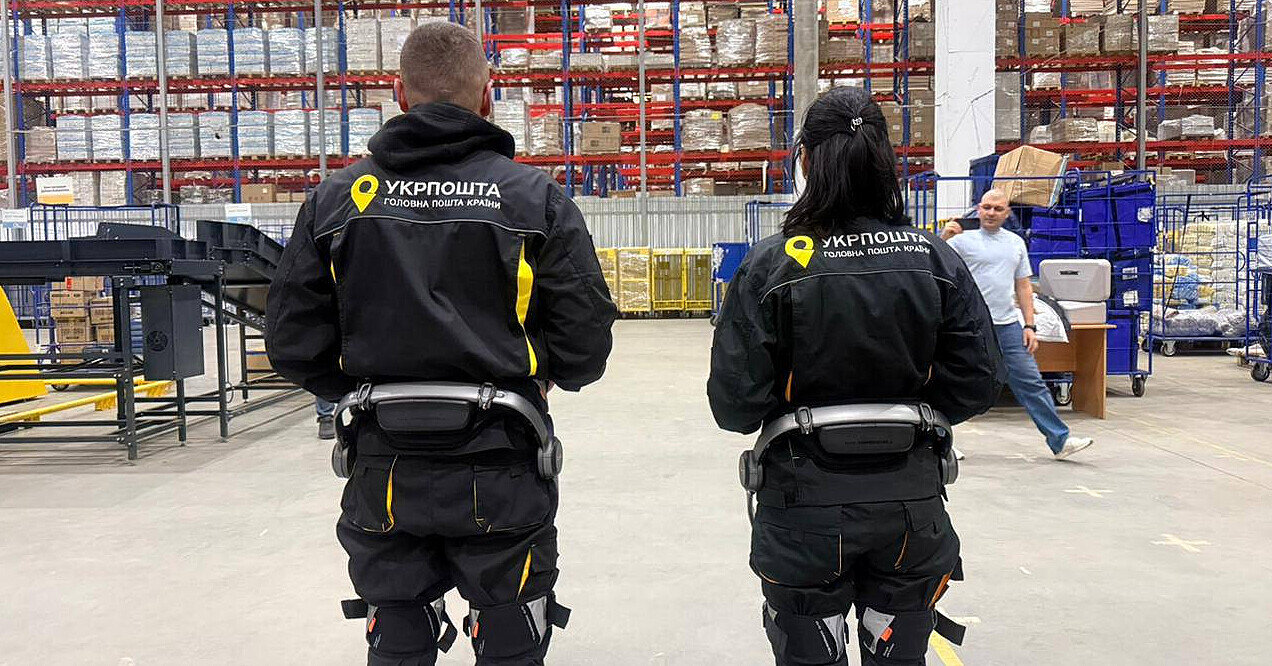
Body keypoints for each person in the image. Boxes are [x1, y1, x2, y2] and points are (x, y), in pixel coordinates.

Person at [265, 22, 617, 666]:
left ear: (399, 95)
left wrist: (363, 392)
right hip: (500, 462)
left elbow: (291, 341)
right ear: (488, 97)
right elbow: (586, 343)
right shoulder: (533, 199)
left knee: (398, 640)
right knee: (512, 637)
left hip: (383, 465)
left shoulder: (336, 200)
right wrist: (539, 377)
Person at [708, 86, 1004, 666]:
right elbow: (979, 379)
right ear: (885, 160)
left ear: (806, 160)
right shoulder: (933, 257)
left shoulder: (774, 263)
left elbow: (735, 402)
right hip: (910, 504)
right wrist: (911, 414)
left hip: (804, 506)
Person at [941, 190, 1095, 461]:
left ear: (1007, 213)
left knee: (1030, 381)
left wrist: (1030, 326)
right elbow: (936, 263)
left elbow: (1023, 286)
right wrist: (944, 238)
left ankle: (1060, 441)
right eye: (986, 207)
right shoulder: (961, 242)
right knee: (955, 384)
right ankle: (943, 443)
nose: (991, 213)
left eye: (998, 208)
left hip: (1008, 325)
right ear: (978, 209)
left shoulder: (1015, 243)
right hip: (971, 325)